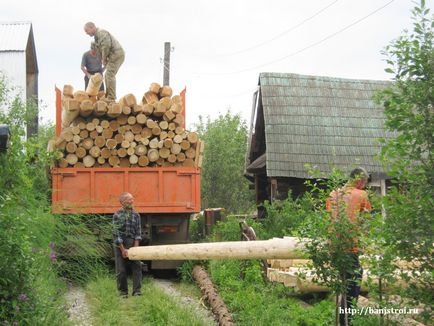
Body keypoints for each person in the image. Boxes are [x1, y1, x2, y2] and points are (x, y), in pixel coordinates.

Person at [326, 167, 372, 326]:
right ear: (360, 180)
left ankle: (341, 319)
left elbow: (328, 221)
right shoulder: (361, 195)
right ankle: (346, 321)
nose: (364, 186)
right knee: (352, 287)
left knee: (342, 284)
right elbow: (365, 222)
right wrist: (365, 242)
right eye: (364, 182)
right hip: (351, 247)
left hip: (335, 247)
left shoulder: (333, 194)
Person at [84, 22, 125, 100]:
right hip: (114, 55)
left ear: (92, 27)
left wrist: (104, 59)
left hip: (116, 54)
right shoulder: (97, 38)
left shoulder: (101, 33)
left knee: (109, 74)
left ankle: (111, 97)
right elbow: (99, 48)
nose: (86, 33)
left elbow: (106, 45)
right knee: (108, 75)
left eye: (87, 30)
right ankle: (109, 96)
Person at [112, 192, 142, 297]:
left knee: (137, 267)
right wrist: (122, 249)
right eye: (129, 199)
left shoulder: (136, 215)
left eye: (132, 199)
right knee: (121, 269)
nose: (131, 201)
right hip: (120, 243)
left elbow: (138, 233)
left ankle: (137, 291)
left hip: (132, 242)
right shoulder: (117, 215)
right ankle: (123, 292)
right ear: (122, 202)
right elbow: (116, 234)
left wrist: (136, 247)